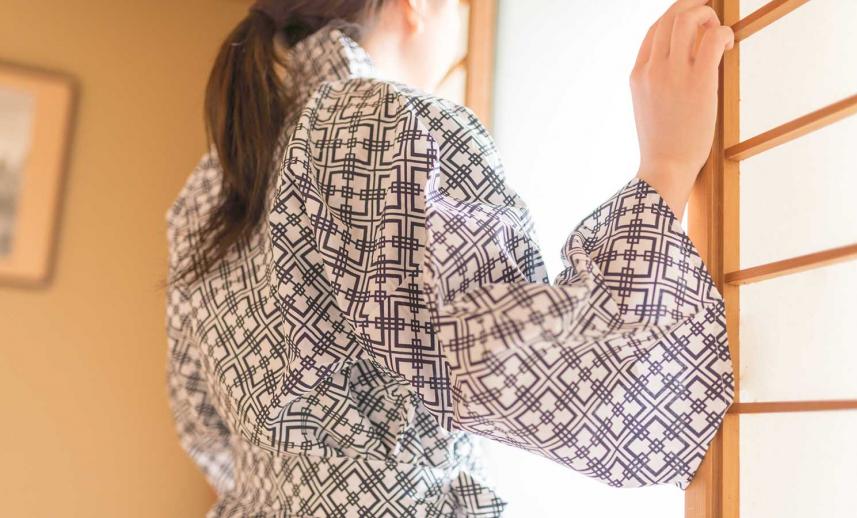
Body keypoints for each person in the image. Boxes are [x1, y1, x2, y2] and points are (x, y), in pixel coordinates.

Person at [164, 0, 736, 516]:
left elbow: (203, 427)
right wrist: (666, 165)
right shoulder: (382, 122)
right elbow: (541, 375)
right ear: (415, 6)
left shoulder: (211, 184)